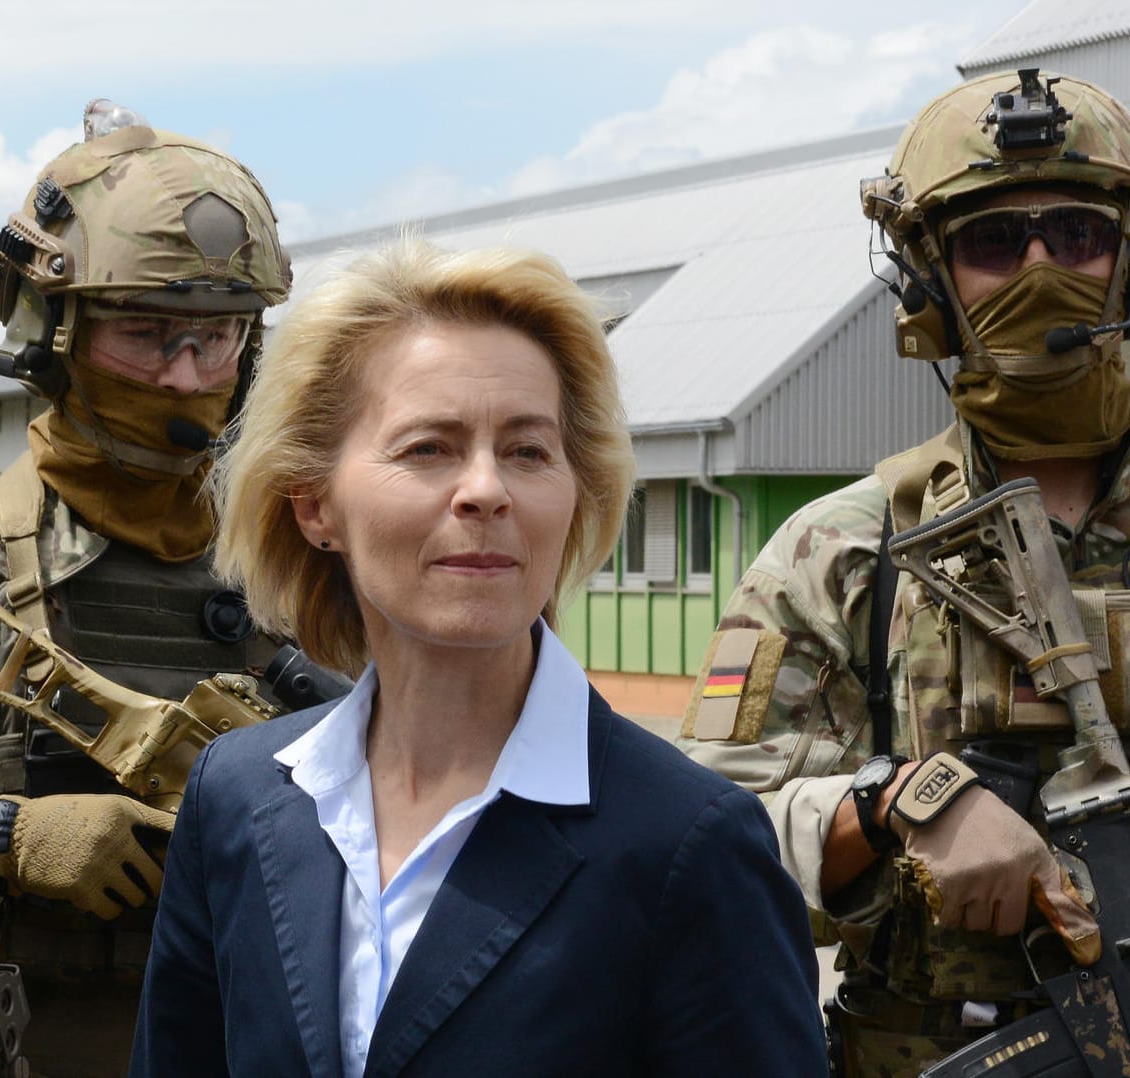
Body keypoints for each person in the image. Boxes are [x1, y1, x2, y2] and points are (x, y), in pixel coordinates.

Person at [130, 239, 828, 1077]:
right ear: (314, 504)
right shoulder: (236, 795)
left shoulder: (690, 842)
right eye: (428, 447)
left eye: (529, 450)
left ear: (575, 498)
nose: (486, 489)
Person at [675, 69, 1130, 1074]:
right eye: (996, 243)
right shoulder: (842, 549)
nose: (1042, 268)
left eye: (1080, 234)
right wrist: (899, 803)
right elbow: (702, 847)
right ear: (930, 277)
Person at [0, 100, 293, 1076]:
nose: (187, 376)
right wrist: (0, 836)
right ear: (51, 329)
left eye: (217, 337)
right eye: (146, 334)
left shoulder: (294, 568)